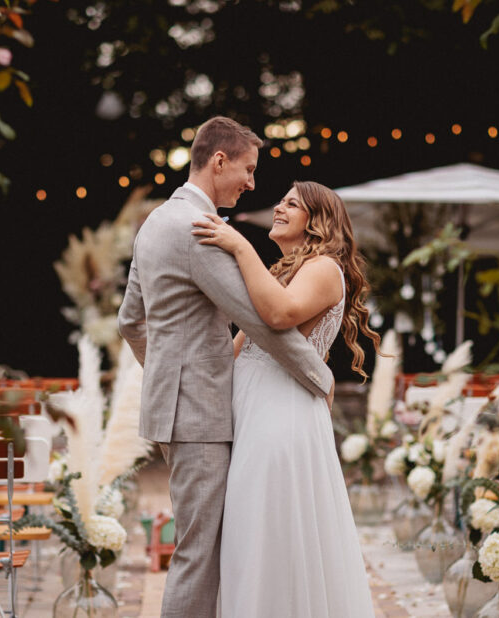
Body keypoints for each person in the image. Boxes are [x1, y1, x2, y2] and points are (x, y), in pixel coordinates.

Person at [117, 117, 335, 618]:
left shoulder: (156, 221)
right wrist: (319, 376)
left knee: (202, 547)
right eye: (248, 169)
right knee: (198, 556)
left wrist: (166, 376)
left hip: (181, 411)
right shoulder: (198, 229)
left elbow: (130, 321)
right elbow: (259, 320)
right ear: (219, 161)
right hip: (199, 416)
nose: (252, 183)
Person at [191, 180, 380, 617]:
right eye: (281, 201)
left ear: (318, 221)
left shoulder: (324, 268)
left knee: (266, 529)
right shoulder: (282, 272)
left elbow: (281, 314)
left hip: (282, 413)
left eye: (291, 204)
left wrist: (240, 247)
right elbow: (237, 350)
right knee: (248, 530)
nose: (279, 208)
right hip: (253, 410)